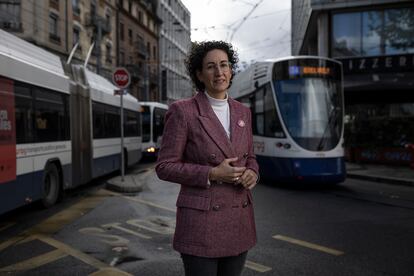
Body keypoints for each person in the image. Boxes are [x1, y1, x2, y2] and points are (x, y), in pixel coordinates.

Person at [155, 40, 259, 276]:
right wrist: (211, 173)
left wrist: (253, 172)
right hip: (201, 224)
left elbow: (250, 156)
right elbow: (164, 166)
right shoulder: (183, 111)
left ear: (231, 70)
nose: (219, 72)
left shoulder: (244, 112)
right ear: (200, 74)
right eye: (211, 67)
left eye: (224, 65)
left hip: (238, 220)